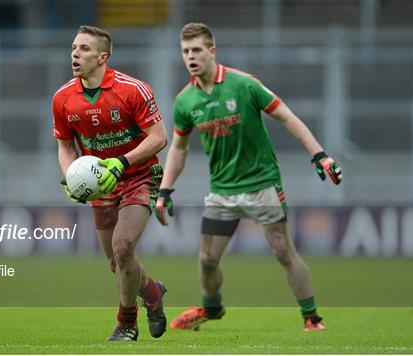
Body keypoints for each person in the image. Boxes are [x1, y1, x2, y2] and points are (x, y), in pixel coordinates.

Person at [155, 23, 342, 332]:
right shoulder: (185, 100)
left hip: (262, 184)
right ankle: (212, 309)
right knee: (206, 259)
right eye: (186, 51)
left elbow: (286, 116)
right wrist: (165, 190)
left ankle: (311, 317)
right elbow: (179, 148)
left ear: (212, 51)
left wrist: (320, 156)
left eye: (197, 50)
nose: (191, 56)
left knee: (283, 250)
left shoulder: (244, 85)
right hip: (222, 192)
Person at [52, 25, 168, 341]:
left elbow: (159, 138)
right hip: (101, 185)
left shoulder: (133, 90)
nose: (76, 54)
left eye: (85, 49)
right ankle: (154, 293)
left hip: (139, 176)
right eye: (74, 47)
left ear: (103, 56)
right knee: (117, 265)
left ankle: (126, 323)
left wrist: (122, 162)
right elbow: (65, 147)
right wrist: (69, 177)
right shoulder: (63, 98)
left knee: (123, 246)